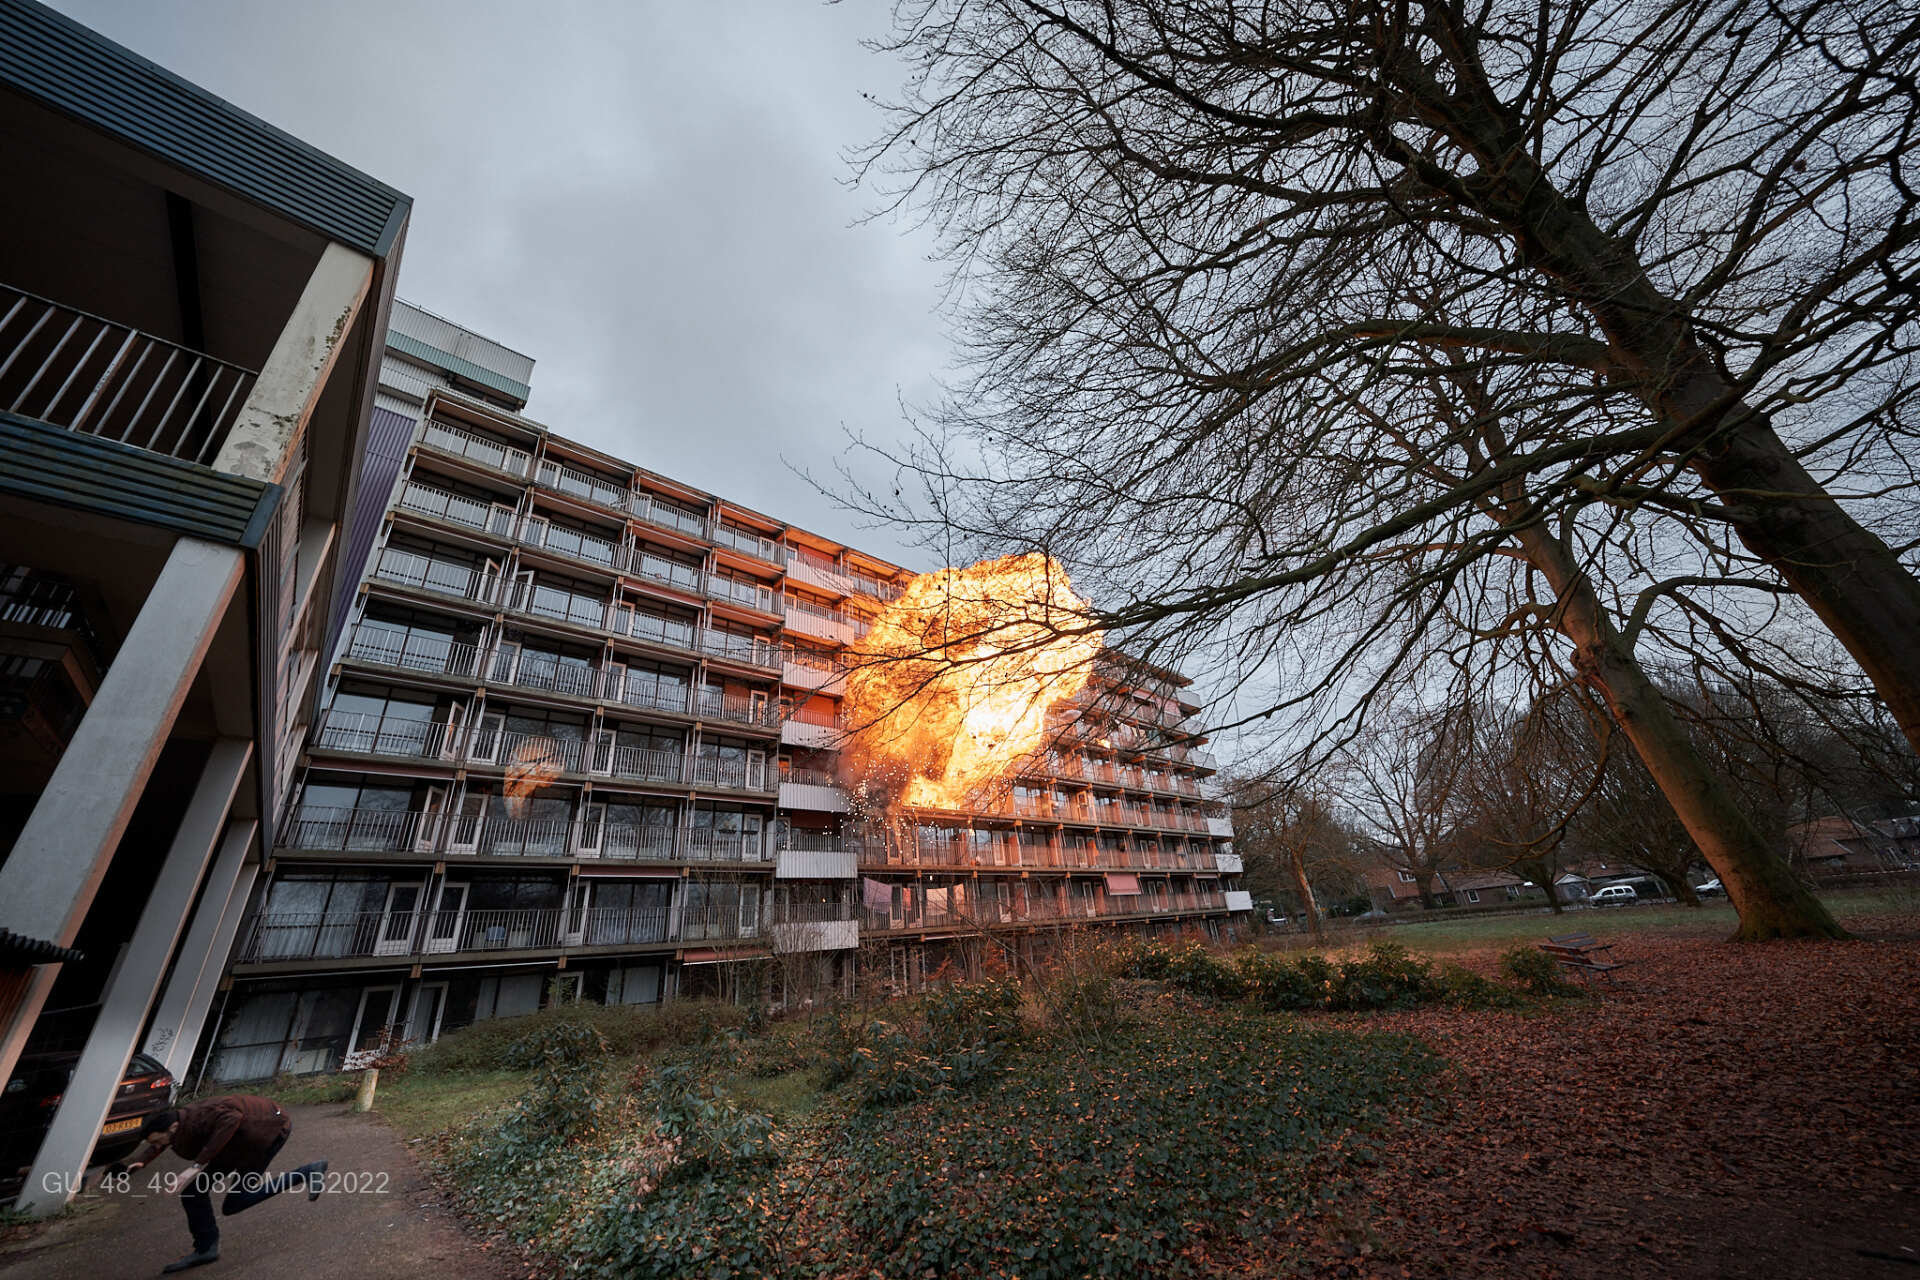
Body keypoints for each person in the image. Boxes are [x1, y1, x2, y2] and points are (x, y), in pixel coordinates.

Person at [111, 1095, 327, 1273]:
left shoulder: (201, 1117)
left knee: (235, 1200)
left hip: (267, 1132)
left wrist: (196, 1166)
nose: (158, 1145)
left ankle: (306, 1172)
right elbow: (161, 1143)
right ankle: (206, 1248)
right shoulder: (179, 1124)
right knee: (194, 1194)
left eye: (158, 1141)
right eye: (155, 1143)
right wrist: (140, 1162)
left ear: (173, 1127)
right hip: (237, 1143)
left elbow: (232, 1119)